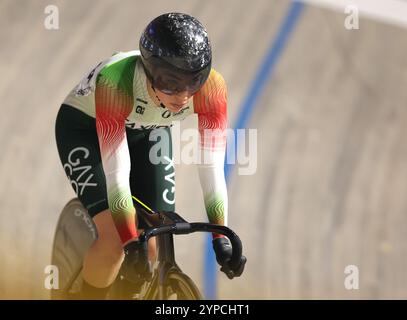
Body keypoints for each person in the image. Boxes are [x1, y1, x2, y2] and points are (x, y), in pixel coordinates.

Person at [55, 12, 245, 300]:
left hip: (148, 130)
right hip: (86, 129)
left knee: (154, 243)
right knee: (115, 241)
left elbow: (211, 166)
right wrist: (130, 240)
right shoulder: (117, 81)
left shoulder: (212, 90)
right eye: (170, 82)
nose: (182, 95)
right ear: (148, 69)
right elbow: (117, 172)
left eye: (193, 81)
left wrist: (221, 237)